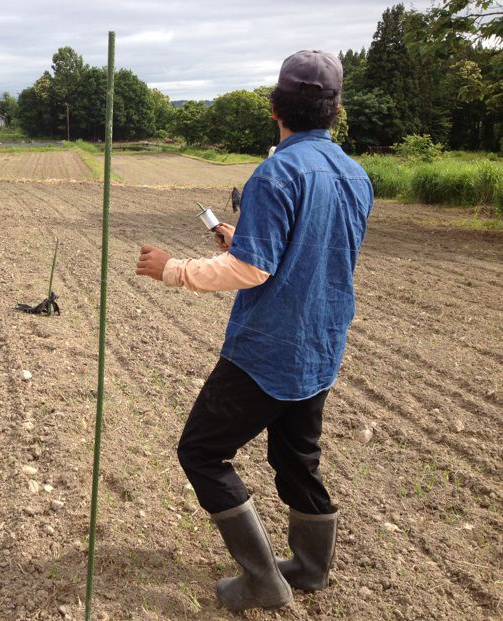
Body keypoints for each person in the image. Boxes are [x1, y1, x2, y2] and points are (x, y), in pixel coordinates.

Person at [134, 50, 373, 611]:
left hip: (269, 348)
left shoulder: (277, 172)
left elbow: (253, 270)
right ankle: (311, 569)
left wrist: (173, 269)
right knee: (297, 457)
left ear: (275, 108)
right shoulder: (356, 175)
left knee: (200, 452)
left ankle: (264, 580)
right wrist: (242, 236)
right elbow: (309, 251)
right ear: (334, 110)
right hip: (322, 342)